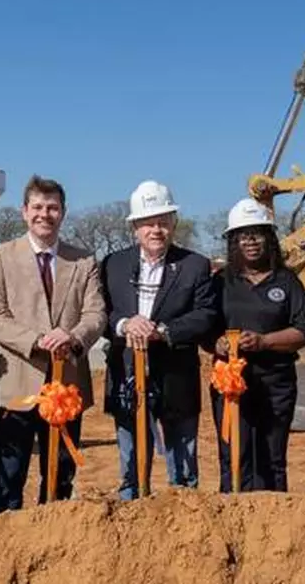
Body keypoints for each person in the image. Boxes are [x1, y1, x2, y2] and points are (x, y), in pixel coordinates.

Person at [0, 175, 107, 515]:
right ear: (24, 211)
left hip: (67, 387)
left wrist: (73, 337)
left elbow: (96, 313)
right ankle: (3, 543)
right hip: (17, 386)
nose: (44, 214)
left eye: (52, 208)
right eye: (37, 207)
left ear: (62, 213)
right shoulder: (1, 257)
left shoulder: (84, 262)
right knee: (9, 474)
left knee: (60, 474)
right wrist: (36, 341)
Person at [100, 180, 216, 500]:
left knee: (184, 467)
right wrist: (125, 324)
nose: (156, 230)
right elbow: (101, 313)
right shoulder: (113, 264)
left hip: (176, 376)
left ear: (173, 223)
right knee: (131, 465)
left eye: (163, 222)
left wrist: (163, 331)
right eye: (149, 223)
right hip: (127, 374)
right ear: (135, 227)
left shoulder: (195, 265)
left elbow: (205, 314)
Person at [203, 198, 305, 492]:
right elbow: (204, 329)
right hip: (230, 384)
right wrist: (219, 343)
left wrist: (264, 342)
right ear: (233, 241)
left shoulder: (287, 281)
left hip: (275, 384)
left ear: (270, 238)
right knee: (234, 456)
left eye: (258, 233)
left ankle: (273, 525)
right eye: (243, 235)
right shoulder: (220, 282)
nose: (251, 241)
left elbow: (304, 331)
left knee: (272, 457)